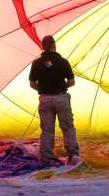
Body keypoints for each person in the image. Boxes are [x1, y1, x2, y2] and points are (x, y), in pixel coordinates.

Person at [29, 35, 81, 166]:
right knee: (68, 127)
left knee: (47, 130)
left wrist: (43, 89)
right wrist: (62, 87)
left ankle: (46, 158)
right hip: (61, 97)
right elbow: (71, 81)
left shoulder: (36, 63)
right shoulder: (63, 61)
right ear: (54, 45)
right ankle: (73, 155)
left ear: (42, 46)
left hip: (45, 98)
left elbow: (32, 83)